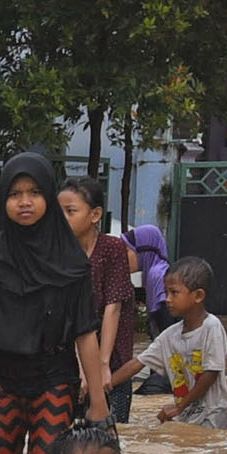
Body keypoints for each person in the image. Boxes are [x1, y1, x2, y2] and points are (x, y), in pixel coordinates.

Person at [0, 153, 111, 454]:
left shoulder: (73, 263)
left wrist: (99, 404)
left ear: (48, 196)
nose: (25, 202)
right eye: (15, 193)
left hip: (54, 375)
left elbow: (85, 333)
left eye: (34, 193)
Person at [61, 176, 143, 419]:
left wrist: (102, 365)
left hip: (113, 356)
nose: (62, 219)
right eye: (59, 212)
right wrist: (83, 367)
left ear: (95, 215)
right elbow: (67, 313)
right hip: (70, 357)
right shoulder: (59, 253)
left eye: (70, 211)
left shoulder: (112, 249)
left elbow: (113, 307)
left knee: (111, 429)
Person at [139, 262, 227, 427]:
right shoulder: (170, 335)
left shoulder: (212, 327)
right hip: (187, 412)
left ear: (198, 296)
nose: (167, 299)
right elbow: (138, 363)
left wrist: (179, 406)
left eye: (174, 293)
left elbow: (210, 374)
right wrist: (102, 384)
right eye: (166, 292)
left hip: (214, 412)